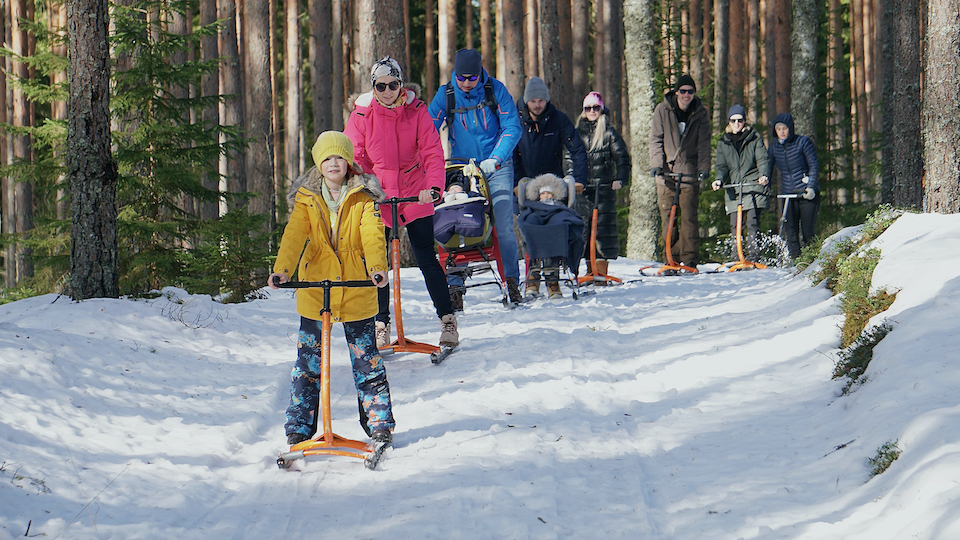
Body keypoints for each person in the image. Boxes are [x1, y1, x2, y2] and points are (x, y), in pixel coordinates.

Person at [268, 131, 393, 446]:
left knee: (367, 360)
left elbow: (373, 234)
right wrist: (282, 271)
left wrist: (377, 268)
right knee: (308, 362)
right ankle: (299, 426)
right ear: (318, 164)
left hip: (356, 286)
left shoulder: (363, 195)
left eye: (339, 157)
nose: (333, 163)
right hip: (315, 286)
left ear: (348, 161)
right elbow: (295, 234)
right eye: (327, 158)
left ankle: (379, 422)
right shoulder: (306, 197)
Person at [344, 57, 457, 349]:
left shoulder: (417, 111)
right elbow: (353, 154)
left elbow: (432, 151)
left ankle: (447, 319)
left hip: (413, 190)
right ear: (374, 87)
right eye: (380, 86)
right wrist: (364, 184)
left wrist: (433, 187)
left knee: (425, 256)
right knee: (376, 261)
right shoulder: (362, 114)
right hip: (378, 194)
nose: (387, 90)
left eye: (393, 84)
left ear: (401, 84)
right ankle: (380, 324)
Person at [428, 48, 525, 305]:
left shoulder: (495, 89)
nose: (467, 83)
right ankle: (455, 285)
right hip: (463, 168)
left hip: (496, 166)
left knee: (503, 224)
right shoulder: (446, 94)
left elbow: (512, 127)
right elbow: (427, 130)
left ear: (480, 74)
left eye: (472, 78)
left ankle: (512, 281)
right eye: (462, 78)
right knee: (456, 219)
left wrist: (496, 158)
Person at [513, 76, 588, 299]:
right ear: (527, 101)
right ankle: (533, 279)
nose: (537, 105)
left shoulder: (557, 119)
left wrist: (579, 178)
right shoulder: (516, 121)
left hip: (552, 185)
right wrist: (516, 182)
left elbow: (577, 149)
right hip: (526, 186)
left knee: (555, 229)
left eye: (541, 100)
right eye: (533, 101)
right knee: (529, 229)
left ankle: (553, 280)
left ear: (547, 100)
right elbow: (511, 155)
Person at [649, 74, 711, 268]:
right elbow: (656, 139)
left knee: (689, 218)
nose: (686, 95)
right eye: (683, 91)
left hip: (689, 173)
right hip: (666, 174)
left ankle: (690, 259)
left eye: (690, 92)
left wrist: (703, 169)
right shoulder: (663, 110)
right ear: (676, 92)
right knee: (669, 217)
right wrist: (657, 164)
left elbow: (704, 145)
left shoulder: (700, 113)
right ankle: (670, 258)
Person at [574, 91, 631, 280]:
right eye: (588, 108)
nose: (592, 111)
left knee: (601, 232)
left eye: (595, 108)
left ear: (601, 109)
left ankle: (600, 272)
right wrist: (572, 180)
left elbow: (623, 158)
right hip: (582, 190)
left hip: (604, 190)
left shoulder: (608, 132)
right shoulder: (577, 133)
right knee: (583, 230)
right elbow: (569, 157)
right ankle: (589, 270)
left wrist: (620, 179)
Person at [711, 104, 771, 262]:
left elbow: (762, 159)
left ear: (745, 121)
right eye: (733, 120)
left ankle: (753, 257)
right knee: (735, 224)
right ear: (728, 122)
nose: (736, 123)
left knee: (752, 222)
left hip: (752, 185)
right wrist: (719, 179)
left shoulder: (754, 138)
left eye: (740, 120)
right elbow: (721, 166)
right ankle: (736, 256)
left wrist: (763, 175)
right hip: (734, 187)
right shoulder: (723, 142)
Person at [517, 174, 585, 300]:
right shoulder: (533, 205)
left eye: (549, 193)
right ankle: (534, 276)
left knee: (560, 224)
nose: (546, 196)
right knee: (530, 223)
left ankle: (552, 278)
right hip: (536, 216)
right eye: (543, 193)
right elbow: (525, 217)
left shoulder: (559, 205)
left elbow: (566, 215)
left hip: (555, 218)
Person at [767, 112, 820, 261]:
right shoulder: (774, 148)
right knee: (790, 231)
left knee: (807, 231)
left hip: (806, 193)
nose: (782, 132)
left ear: (790, 128)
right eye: (779, 129)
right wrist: (766, 185)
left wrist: (811, 187)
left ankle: (811, 261)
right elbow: (768, 168)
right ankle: (796, 261)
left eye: (784, 128)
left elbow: (813, 165)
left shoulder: (803, 142)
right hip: (788, 194)